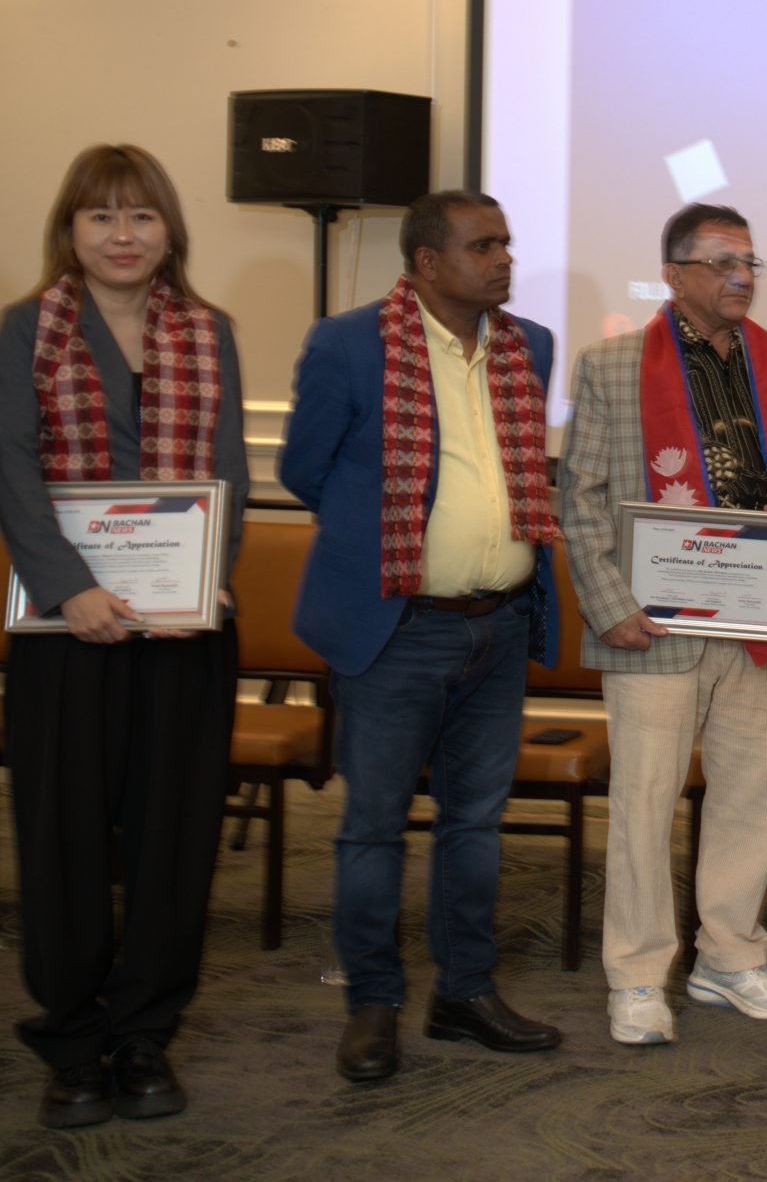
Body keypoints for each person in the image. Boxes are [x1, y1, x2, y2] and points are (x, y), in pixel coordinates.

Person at [280, 190, 565, 1083]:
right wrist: (398, 536)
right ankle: (373, 1002)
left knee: (474, 823)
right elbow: (304, 470)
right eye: (484, 246)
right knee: (372, 827)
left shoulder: (529, 345)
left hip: (500, 624)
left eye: (506, 242)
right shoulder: (348, 344)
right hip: (397, 629)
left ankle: (464, 992)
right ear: (428, 262)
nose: (505, 258)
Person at [557, 204, 767, 1047]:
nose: (742, 277)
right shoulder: (612, 364)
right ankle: (638, 973)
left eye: (750, 262)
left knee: (753, 790)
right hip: (652, 622)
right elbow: (579, 495)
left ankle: (730, 954)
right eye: (722, 263)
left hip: (760, 614)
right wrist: (609, 604)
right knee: (645, 800)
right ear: (674, 274)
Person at [1, 144, 247, 1128]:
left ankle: (145, 1034)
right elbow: (13, 468)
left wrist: (206, 577)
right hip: (68, 629)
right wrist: (71, 589)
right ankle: (71, 1041)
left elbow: (227, 470)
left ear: (168, 230)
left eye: (141, 215)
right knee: (63, 835)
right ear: (69, 230)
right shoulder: (27, 328)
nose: (122, 234)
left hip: (183, 631)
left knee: (172, 837)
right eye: (101, 215)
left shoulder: (209, 331)